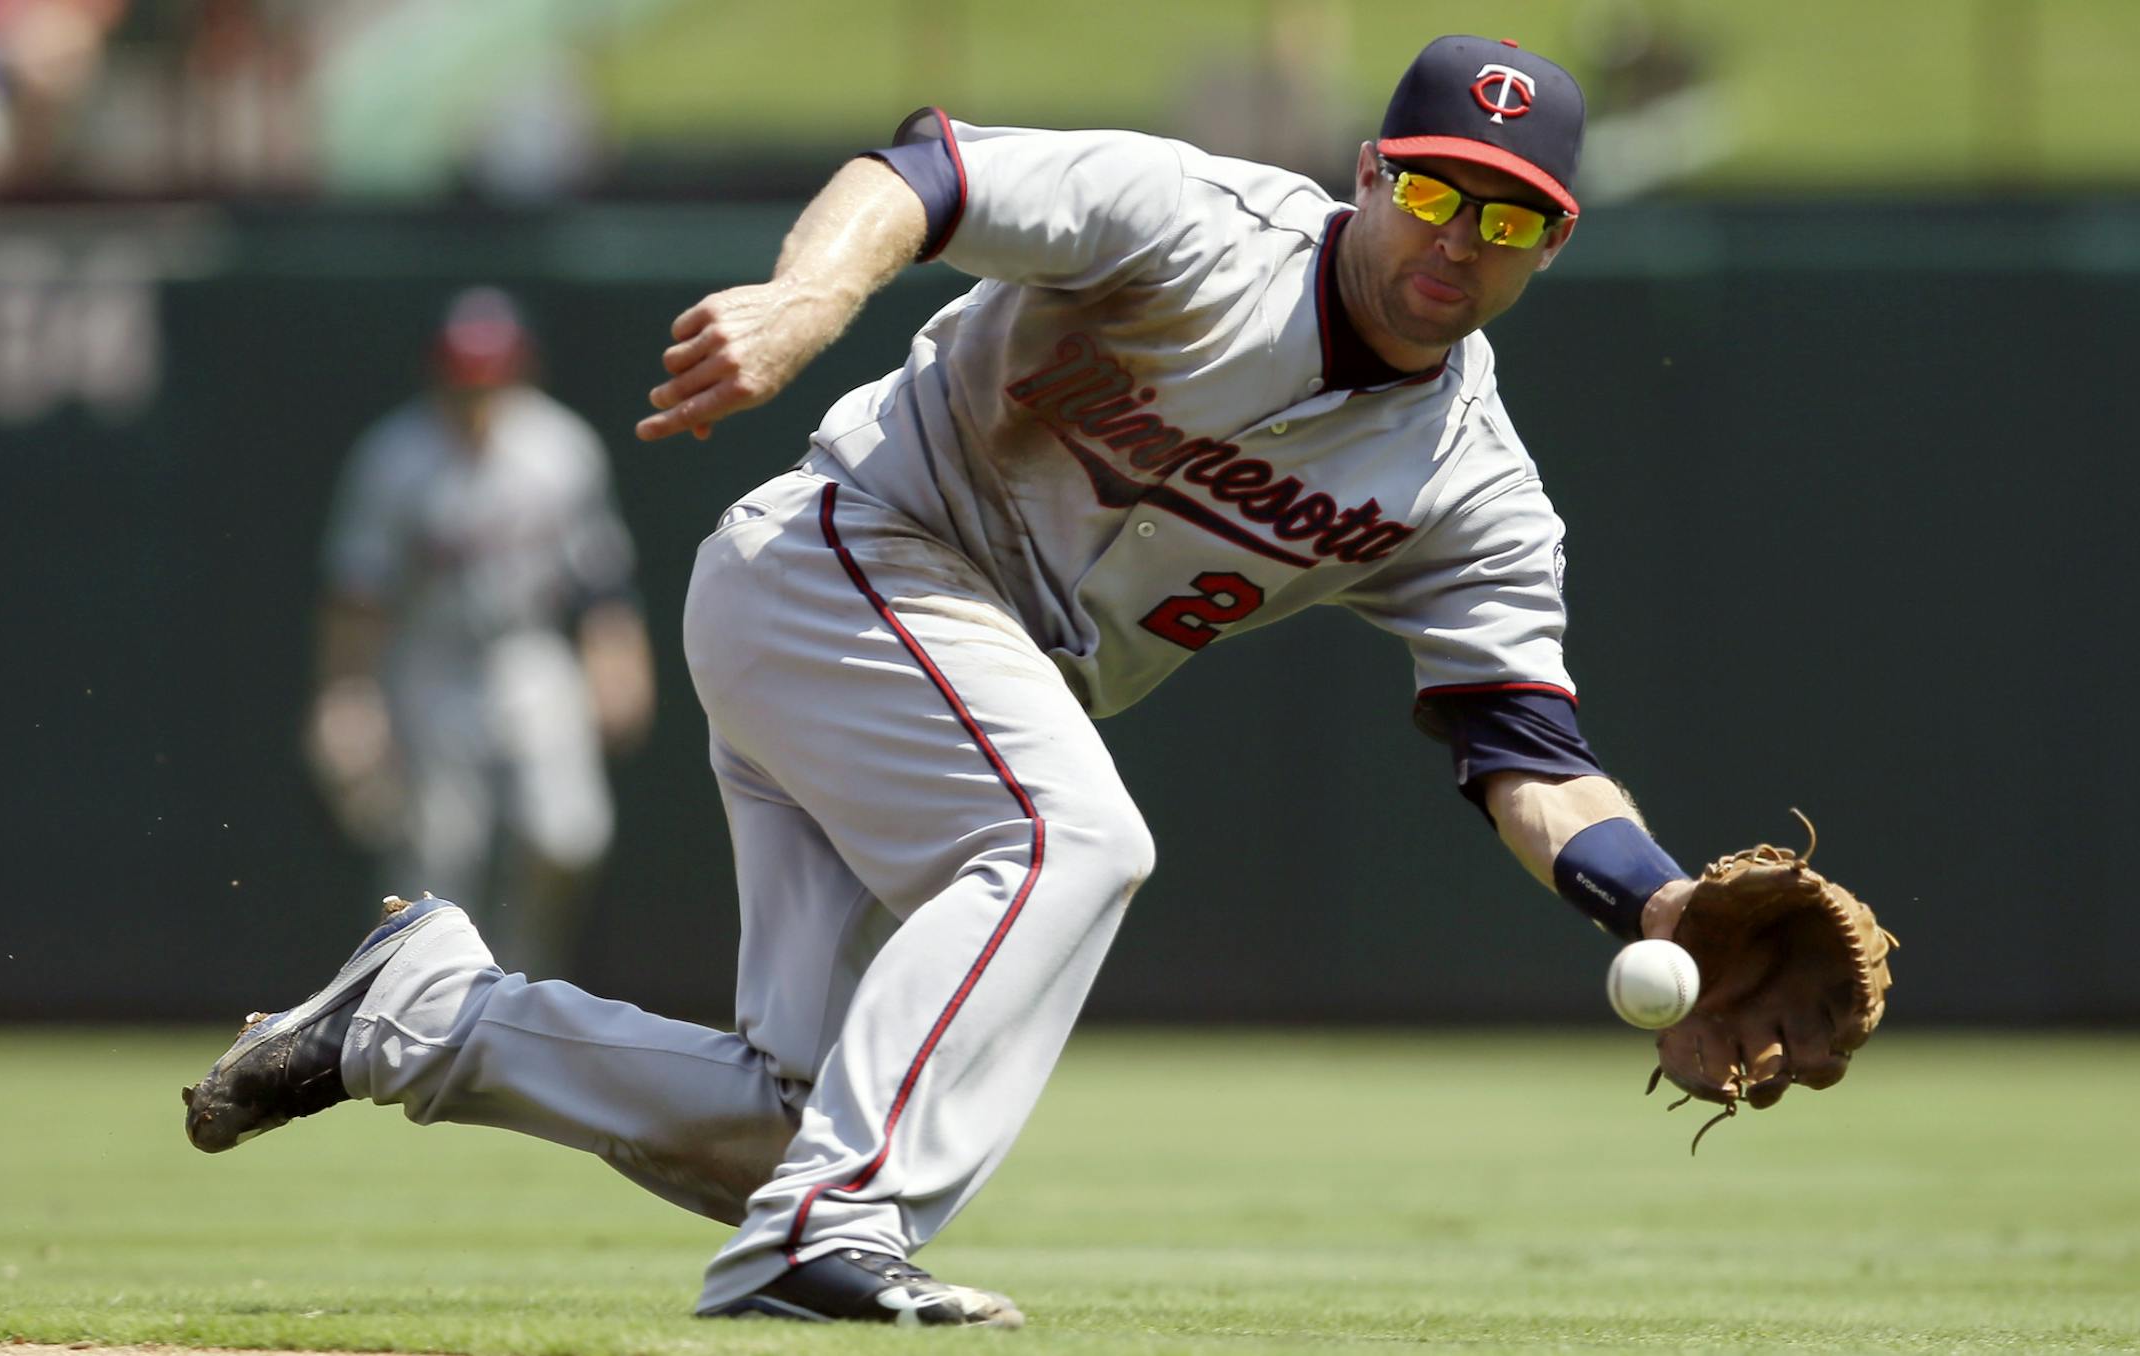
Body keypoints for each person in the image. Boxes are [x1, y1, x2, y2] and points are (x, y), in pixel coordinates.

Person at [191, 36, 1752, 1328]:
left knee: (787, 1111)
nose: (1457, 241)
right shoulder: (1196, 221)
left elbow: (1521, 743)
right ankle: (828, 1236)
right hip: (850, 550)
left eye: (1510, 220)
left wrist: (1662, 906)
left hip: (952, 682)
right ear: (1370, 175)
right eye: (1435, 190)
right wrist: (807, 302)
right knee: (1075, 843)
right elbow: (924, 171)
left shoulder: (1472, 483)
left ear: (1552, 246)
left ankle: (427, 1017)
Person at [304, 286, 655, 978]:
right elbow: (357, 594)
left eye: (491, 373)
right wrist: (346, 696)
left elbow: (602, 582)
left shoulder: (562, 448)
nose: (476, 390)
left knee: (569, 834)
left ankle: (521, 982)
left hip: (530, 655)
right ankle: (425, 1009)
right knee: (437, 859)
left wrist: (618, 662)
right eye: (464, 373)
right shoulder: (394, 457)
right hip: (429, 661)